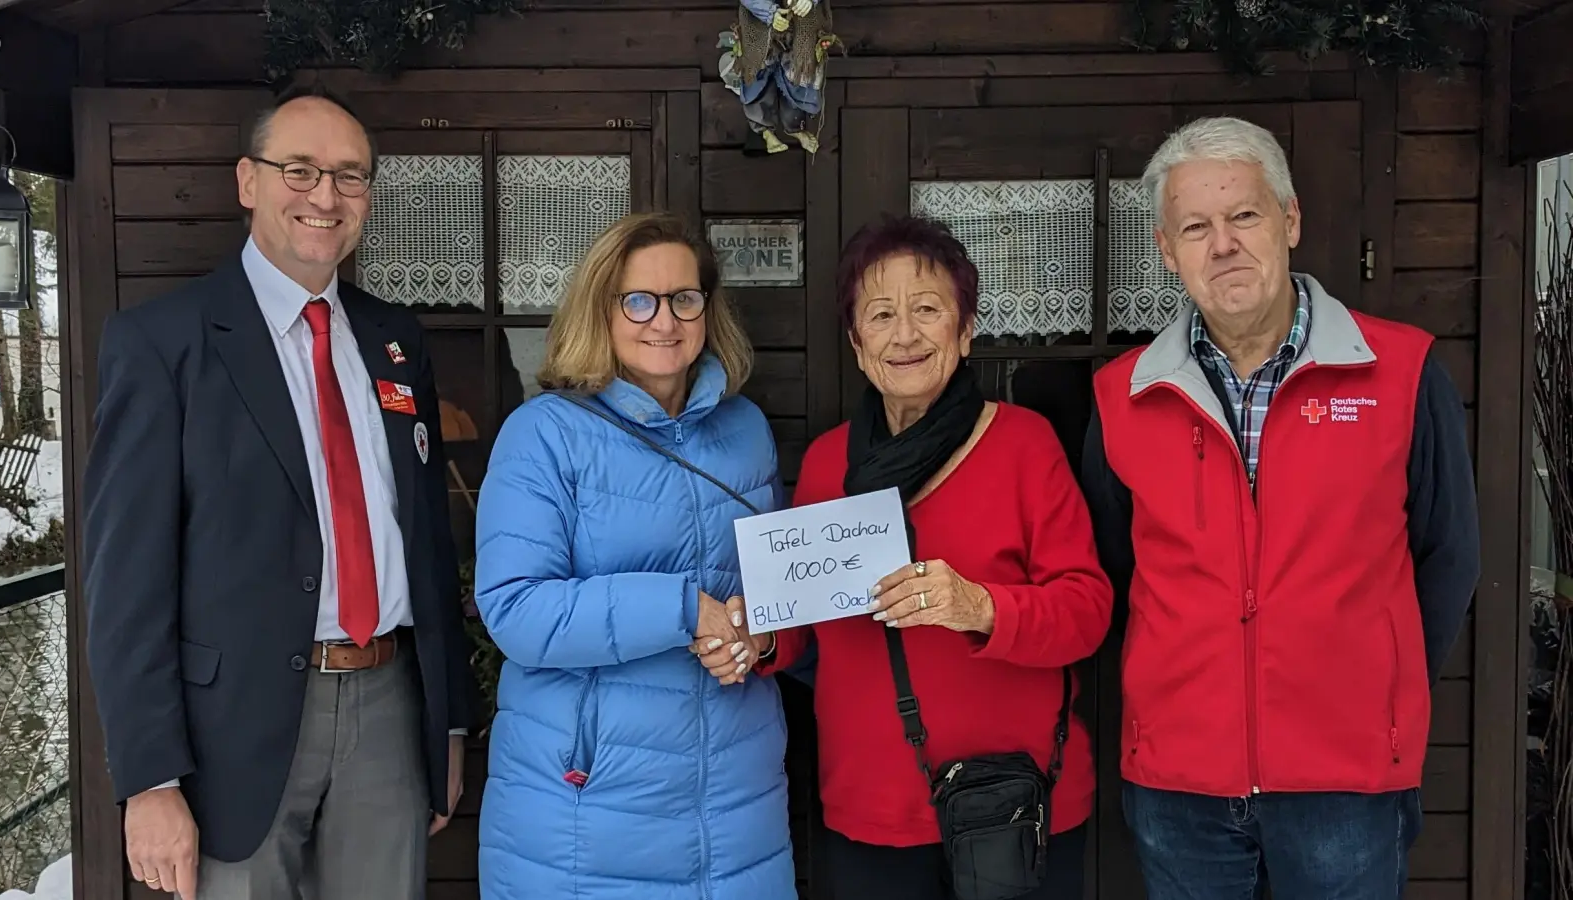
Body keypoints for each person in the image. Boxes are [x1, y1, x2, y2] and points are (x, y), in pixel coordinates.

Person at [82, 83, 475, 900]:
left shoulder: (394, 341)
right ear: (246, 182)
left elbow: (427, 542)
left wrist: (449, 718)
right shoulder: (162, 344)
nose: (325, 196)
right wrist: (150, 779)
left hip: (389, 705)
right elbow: (124, 583)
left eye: (349, 176)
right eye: (299, 170)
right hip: (232, 735)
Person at [1080, 115, 1481, 899]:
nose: (1222, 243)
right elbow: (1116, 567)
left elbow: (1449, 556)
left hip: (1348, 777)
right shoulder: (1123, 394)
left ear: (1290, 219)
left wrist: (1379, 695)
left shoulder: (1399, 370)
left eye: (1244, 216)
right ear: (1167, 250)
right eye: (1194, 226)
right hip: (1181, 782)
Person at [736, 214, 1114, 900]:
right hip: (873, 806)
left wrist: (979, 605)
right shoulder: (828, 462)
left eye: (928, 310)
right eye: (880, 314)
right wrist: (761, 637)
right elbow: (803, 629)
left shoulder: (1024, 445)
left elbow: (1087, 612)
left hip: (1018, 805)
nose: (904, 334)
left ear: (966, 330)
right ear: (856, 343)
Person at [470, 211, 796, 899]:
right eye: (639, 300)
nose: (665, 321)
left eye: (685, 298)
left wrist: (757, 635)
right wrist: (686, 610)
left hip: (735, 799)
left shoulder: (744, 430)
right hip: (591, 810)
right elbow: (518, 610)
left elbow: (775, 585)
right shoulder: (543, 436)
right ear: (604, 310)